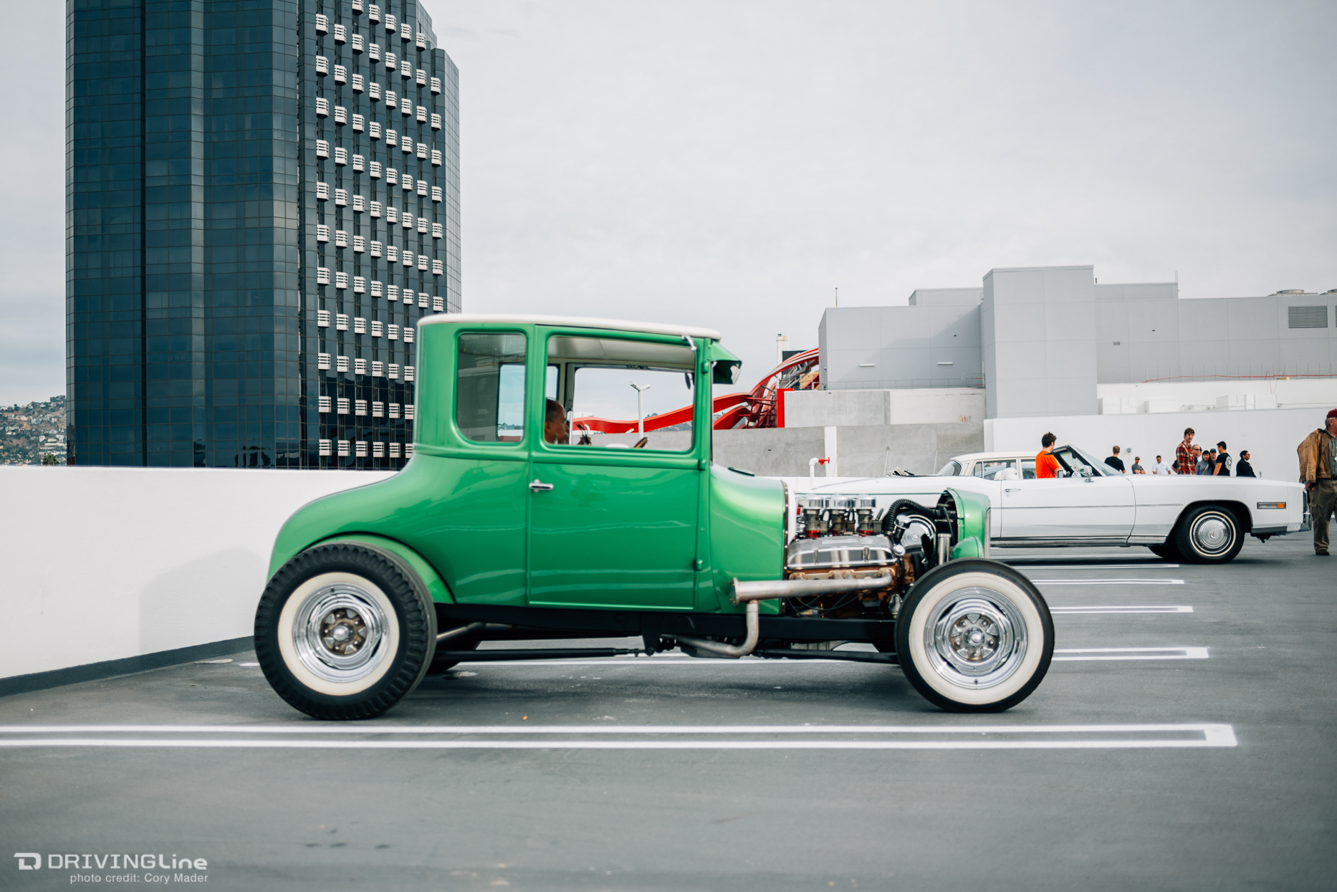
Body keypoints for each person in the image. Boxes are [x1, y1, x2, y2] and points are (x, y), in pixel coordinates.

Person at [1297, 408, 1337, 556]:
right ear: (1331, 421)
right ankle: (1321, 547)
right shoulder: (1317, 436)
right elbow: (1306, 452)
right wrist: (1309, 479)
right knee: (1320, 518)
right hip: (1322, 483)